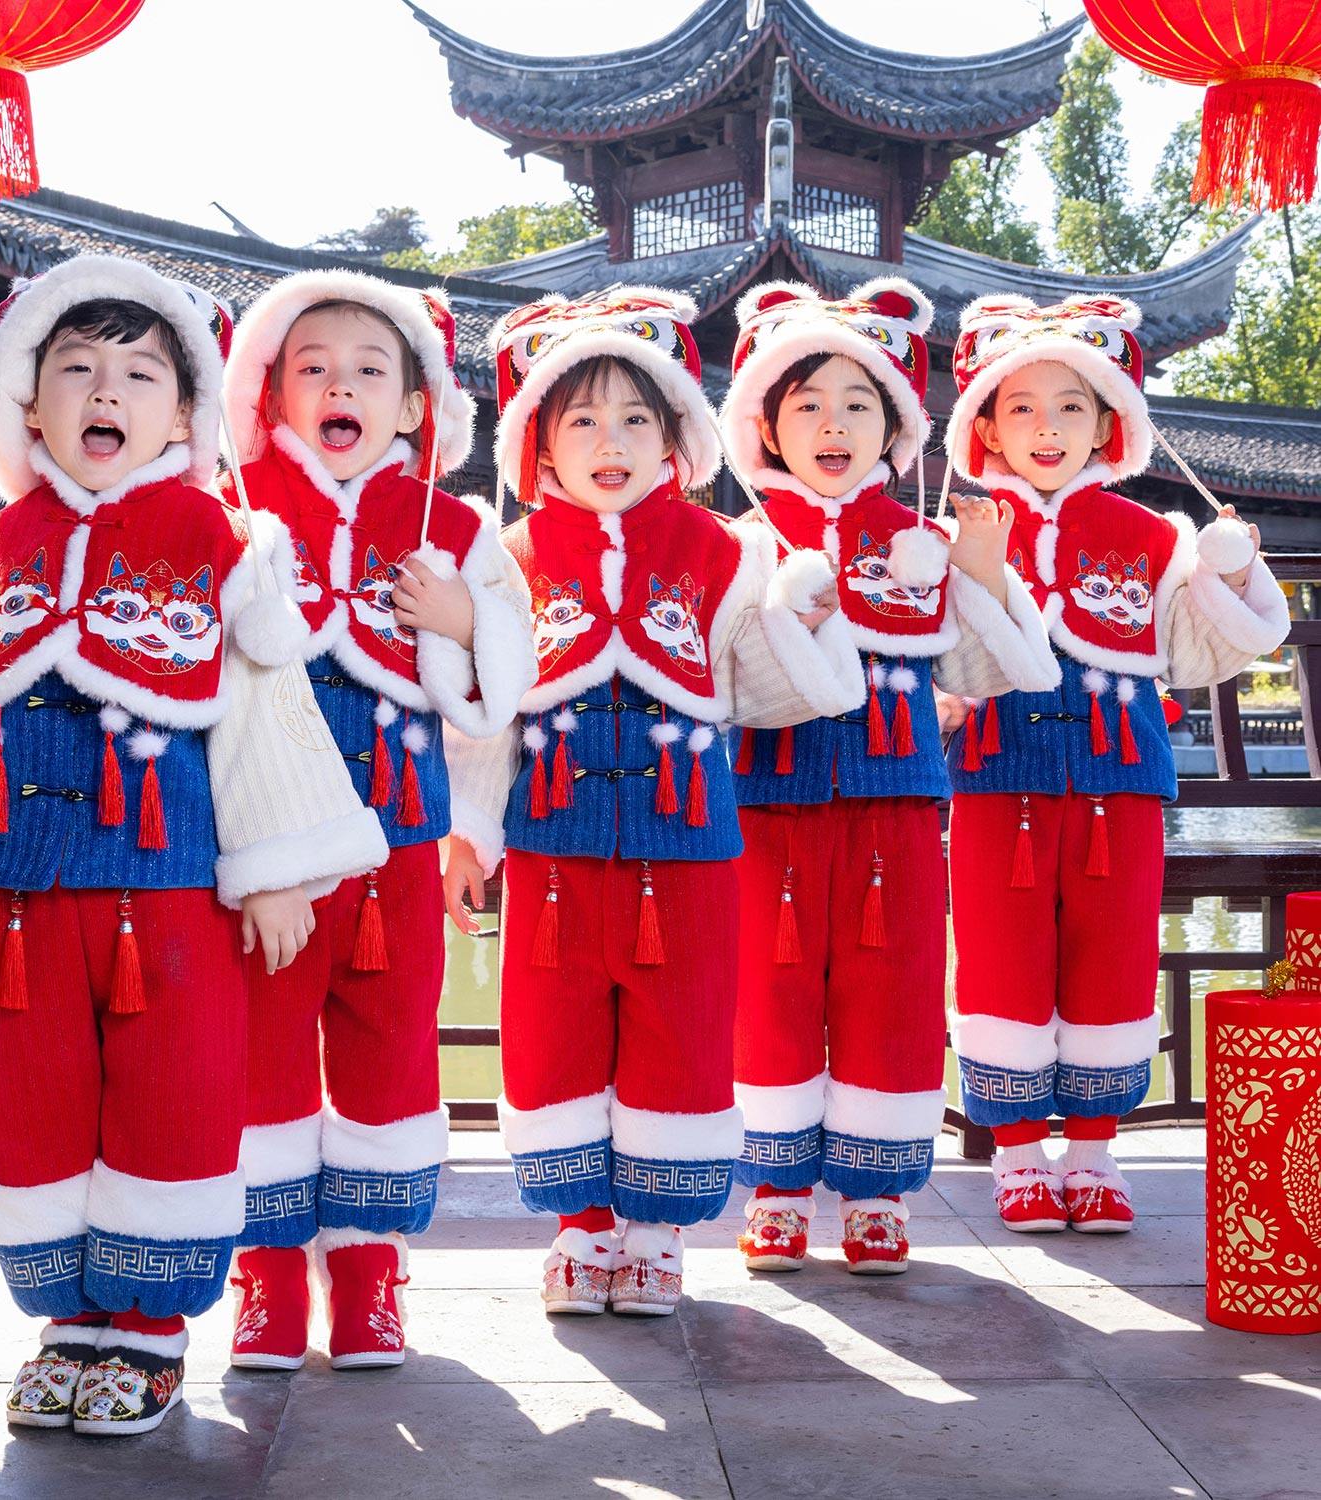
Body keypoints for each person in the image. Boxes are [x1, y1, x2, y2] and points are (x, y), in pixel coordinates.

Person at [0, 255, 384, 1434]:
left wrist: (279, 869)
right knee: (33, 1099)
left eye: (139, 374)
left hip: (170, 894)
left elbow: (264, 708)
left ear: (185, 414)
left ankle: (147, 1327)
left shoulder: (221, 539)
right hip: (19, 898)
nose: (106, 391)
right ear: (27, 404)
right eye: (77, 369)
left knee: (171, 1092)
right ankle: (66, 1320)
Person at [443, 287, 865, 1317]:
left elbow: (769, 691)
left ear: (678, 435)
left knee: (682, 1027)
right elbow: (490, 719)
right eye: (582, 419)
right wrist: (468, 836)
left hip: (688, 847)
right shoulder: (511, 561)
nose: (611, 441)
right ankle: (581, 1226)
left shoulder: (728, 552)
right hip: (553, 846)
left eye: (637, 417)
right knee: (554, 1027)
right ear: (538, 444)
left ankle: (658, 1231)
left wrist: (803, 616)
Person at [219, 271, 534, 1370]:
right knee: (260, 1047)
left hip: (400, 842)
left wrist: (466, 622)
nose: (339, 387)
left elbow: (500, 701)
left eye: (368, 370)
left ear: (414, 404)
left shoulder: (454, 526)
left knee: (391, 1045)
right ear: (271, 393)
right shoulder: (236, 515)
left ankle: (368, 1269)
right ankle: (266, 1273)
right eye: (312, 368)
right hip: (274, 849)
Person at [717, 278, 1060, 1273]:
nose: (834, 425)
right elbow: (716, 680)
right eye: (808, 405)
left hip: (898, 803)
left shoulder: (926, 545)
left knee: (895, 988)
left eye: (858, 404)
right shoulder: (742, 544)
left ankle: (875, 1192)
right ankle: (778, 1188)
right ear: (767, 427)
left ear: (896, 427)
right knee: (769, 990)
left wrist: (985, 571)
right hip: (769, 803)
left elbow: (1000, 672)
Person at [942, 295, 1290, 1232]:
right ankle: (1019, 1153)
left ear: (1108, 424)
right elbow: (940, 662)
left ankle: (1095, 1151)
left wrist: (1232, 569)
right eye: (1022, 407)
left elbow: (1202, 650)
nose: (1047, 427)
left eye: (1072, 406)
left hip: (1118, 784)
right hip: (998, 782)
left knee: (1116, 954)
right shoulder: (963, 531)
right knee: (1000, 955)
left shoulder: (1151, 535)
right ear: (987, 427)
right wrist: (976, 569)